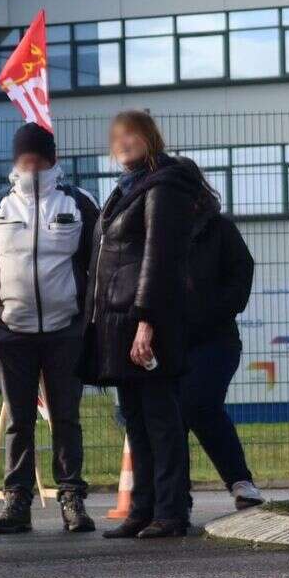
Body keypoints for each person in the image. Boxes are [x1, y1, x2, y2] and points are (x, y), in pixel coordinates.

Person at [0, 123, 101, 534]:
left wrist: (84, 323)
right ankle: (16, 504)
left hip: (66, 332)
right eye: (25, 157)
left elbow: (100, 268)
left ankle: (72, 499)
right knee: (18, 421)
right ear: (15, 159)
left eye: (38, 156)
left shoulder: (81, 202)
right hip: (12, 334)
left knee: (66, 418)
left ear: (52, 157)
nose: (32, 164)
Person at [83, 110, 203, 539]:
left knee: (160, 420)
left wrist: (146, 323)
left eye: (131, 134)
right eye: (116, 136)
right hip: (118, 324)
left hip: (146, 324)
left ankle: (170, 512)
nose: (122, 142)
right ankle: (143, 508)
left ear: (149, 138)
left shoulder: (162, 187)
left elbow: (157, 259)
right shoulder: (127, 190)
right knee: (134, 419)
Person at [175, 157, 264, 510]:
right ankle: (173, 497)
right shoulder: (155, 228)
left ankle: (241, 482)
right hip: (169, 340)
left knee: (199, 404)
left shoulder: (219, 229)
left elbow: (241, 274)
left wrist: (212, 311)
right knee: (171, 415)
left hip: (215, 339)